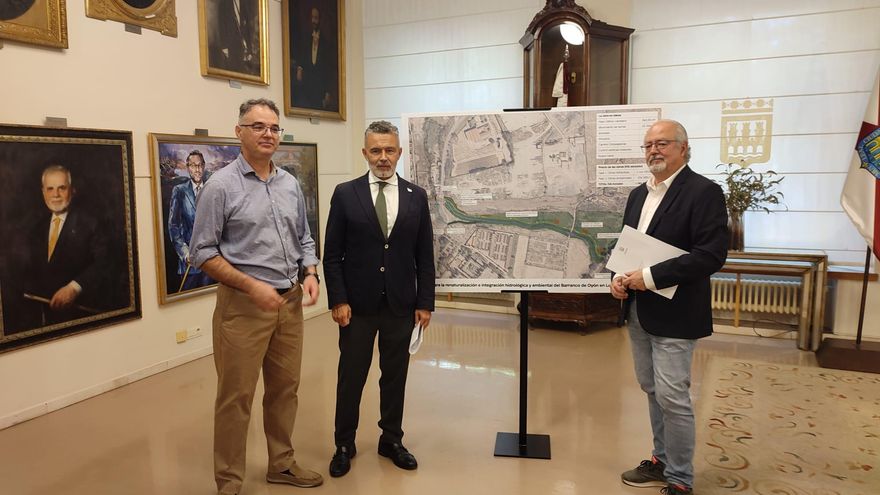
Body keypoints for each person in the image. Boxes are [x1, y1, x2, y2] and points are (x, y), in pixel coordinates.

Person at [190, 98, 323, 495]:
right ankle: (229, 482)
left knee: (285, 390)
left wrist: (311, 271)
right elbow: (202, 253)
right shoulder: (220, 186)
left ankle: (281, 464)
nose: (268, 134)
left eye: (274, 128)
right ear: (239, 132)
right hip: (243, 309)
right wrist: (251, 286)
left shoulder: (288, 183)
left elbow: (303, 235)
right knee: (236, 399)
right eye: (258, 126)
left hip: (290, 302)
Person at [611, 119, 729, 495]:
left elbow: (710, 255)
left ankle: (680, 481)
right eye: (647, 145)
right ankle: (661, 460)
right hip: (638, 310)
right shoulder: (637, 194)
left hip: (677, 312)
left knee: (673, 396)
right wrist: (617, 279)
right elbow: (628, 248)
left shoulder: (704, 192)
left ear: (683, 147)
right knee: (651, 388)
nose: (653, 151)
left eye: (662, 143)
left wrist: (649, 276)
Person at [323, 120, 435, 477]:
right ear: (365, 153)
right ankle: (344, 443)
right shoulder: (345, 194)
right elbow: (332, 255)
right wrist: (338, 299)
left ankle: (391, 440)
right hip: (357, 308)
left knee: (394, 376)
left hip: (401, 306)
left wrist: (425, 302)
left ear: (399, 153)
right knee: (351, 377)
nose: (383, 157)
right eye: (376, 150)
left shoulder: (417, 196)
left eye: (389, 150)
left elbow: (425, 256)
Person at [23, 164, 107, 327]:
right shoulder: (37, 228)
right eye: (50, 189)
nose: (55, 194)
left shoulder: (92, 223)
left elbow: (105, 263)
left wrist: (74, 288)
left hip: (83, 316)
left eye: (62, 188)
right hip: (45, 318)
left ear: (72, 190)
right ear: (43, 192)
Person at [167, 150, 214, 292]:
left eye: (200, 165)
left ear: (204, 166)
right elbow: (173, 226)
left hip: (211, 263)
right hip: (189, 265)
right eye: (193, 166)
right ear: (188, 168)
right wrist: (185, 253)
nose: (197, 170)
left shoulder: (212, 189)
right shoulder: (179, 191)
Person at [290, 4, 338, 111]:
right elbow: (302, 57)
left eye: (316, 18)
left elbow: (328, 70)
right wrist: (300, 68)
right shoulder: (306, 39)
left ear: (320, 20)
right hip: (307, 85)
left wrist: (327, 92)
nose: (314, 21)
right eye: (312, 18)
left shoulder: (325, 43)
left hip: (320, 87)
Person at [207, 0, 260, 75]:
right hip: (230, 44)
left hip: (242, 44)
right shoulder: (224, 3)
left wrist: (249, 49)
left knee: (242, 70)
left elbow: (247, 27)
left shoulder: (243, 3)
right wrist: (224, 47)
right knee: (232, 69)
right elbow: (221, 25)